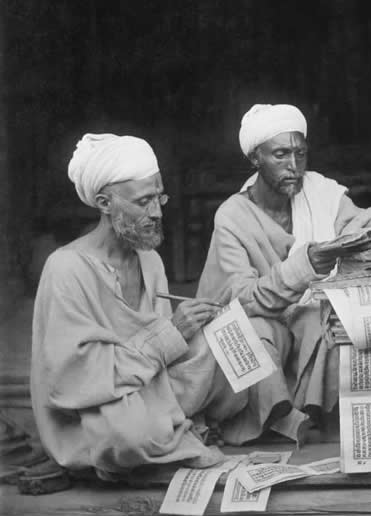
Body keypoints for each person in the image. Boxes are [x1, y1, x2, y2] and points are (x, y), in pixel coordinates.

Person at [196, 104, 371, 434]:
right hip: (255, 322)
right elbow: (242, 299)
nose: (293, 166)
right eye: (280, 155)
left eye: (300, 154)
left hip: (306, 318)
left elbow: (361, 222)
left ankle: (324, 417)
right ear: (255, 158)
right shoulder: (232, 217)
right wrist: (306, 265)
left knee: (333, 325)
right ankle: (277, 420)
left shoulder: (319, 191)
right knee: (255, 334)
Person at [31, 134, 255, 477]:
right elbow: (73, 378)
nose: (157, 213)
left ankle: (170, 431)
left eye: (159, 197)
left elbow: (163, 360)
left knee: (228, 347)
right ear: (105, 203)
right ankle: (172, 435)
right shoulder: (66, 268)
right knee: (131, 434)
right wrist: (171, 333)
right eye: (144, 201)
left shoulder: (149, 260)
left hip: (146, 385)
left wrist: (201, 326)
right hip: (94, 406)